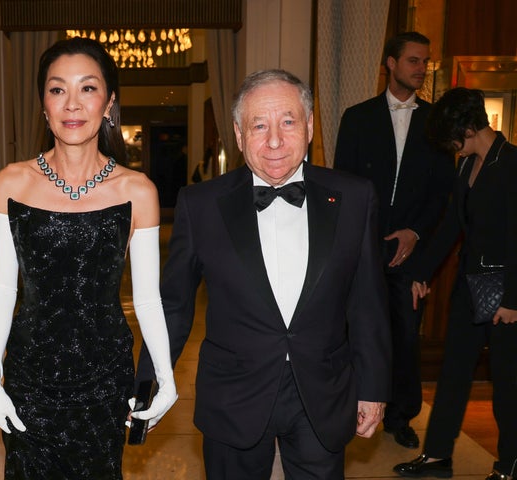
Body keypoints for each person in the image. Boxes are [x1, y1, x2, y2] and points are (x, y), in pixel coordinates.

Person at [137, 69, 391, 479]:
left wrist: (374, 387)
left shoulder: (355, 197)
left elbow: (368, 303)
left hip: (322, 391)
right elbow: (173, 307)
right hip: (234, 393)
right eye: (259, 125)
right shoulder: (201, 204)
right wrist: (147, 384)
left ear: (309, 126)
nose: (274, 140)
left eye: (288, 122)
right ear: (239, 135)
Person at [0, 37, 178, 479]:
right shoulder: (10, 183)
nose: (72, 104)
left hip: (104, 378)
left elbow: (147, 299)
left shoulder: (137, 190)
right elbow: (4, 289)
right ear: (43, 104)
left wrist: (165, 378)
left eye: (87, 88)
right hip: (30, 376)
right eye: (57, 89)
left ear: (109, 103)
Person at [333, 31, 454, 450]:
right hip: (362, 245)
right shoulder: (357, 116)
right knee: (352, 330)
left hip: (409, 249)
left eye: (425, 62)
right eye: (413, 61)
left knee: (405, 335)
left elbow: (444, 190)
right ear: (390, 63)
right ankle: (349, 406)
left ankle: (400, 416)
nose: (421, 69)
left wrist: (415, 232)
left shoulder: (436, 122)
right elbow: (342, 184)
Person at [393, 87, 517, 480]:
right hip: (470, 286)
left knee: (507, 383)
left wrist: (514, 299)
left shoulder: (512, 163)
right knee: (453, 374)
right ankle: (437, 456)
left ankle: (510, 463)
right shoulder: (466, 166)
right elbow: (451, 228)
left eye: (451, 137)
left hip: (507, 292)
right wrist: (420, 272)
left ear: (467, 127)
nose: (450, 146)